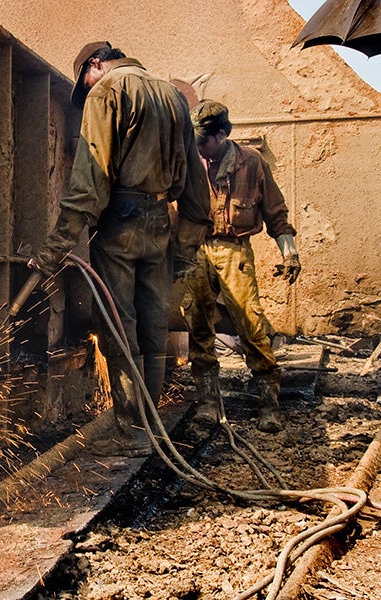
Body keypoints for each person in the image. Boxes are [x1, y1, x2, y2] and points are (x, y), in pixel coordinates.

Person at [29, 41, 211, 456]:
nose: (87, 90)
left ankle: (131, 429)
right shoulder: (172, 95)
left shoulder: (108, 90)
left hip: (121, 218)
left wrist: (54, 248)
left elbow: (89, 179)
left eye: (86, 81)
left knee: (118, 323)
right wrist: (185, 246)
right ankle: (152, 422)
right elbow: (197, 188)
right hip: (161, 218)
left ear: (96, 64)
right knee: (153, 323)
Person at [183, 100, 301, 434]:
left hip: (235, 251)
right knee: (199, 327)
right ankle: (208, 403)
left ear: (221, 134)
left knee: (250, 325)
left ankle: (268, 405)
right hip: (195, 249)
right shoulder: (190, 159)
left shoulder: (252, 162)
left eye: (203, 141)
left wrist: (289, 253)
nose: (198, 148)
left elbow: (276, 212)